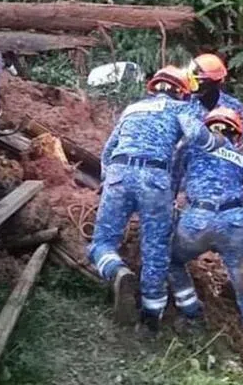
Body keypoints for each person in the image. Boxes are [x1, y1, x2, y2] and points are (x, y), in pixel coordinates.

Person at [88, 66, 229, 332]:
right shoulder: (182, 109)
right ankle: (150, 319)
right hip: (154, 179)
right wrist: (220, 141)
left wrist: (109, 181)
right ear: (181, 91)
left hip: (118, 173)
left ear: (154, 87)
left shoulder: (132, 108)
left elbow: (107, 151)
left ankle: (116, 270)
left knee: (101, 243)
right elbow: (197, 136)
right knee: (156, 249)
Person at [168, 107, 243, 377]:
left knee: (170, 258)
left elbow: (172, 183)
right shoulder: (241, 159)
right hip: (236, 224)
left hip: (197, 220)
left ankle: (192, 313)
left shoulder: (191, 149)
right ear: (236, 133)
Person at [189, 53, 243, 146]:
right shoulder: (185, 104)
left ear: (210, 81)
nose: (193, 82)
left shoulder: (234, 106)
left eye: (198, 80)